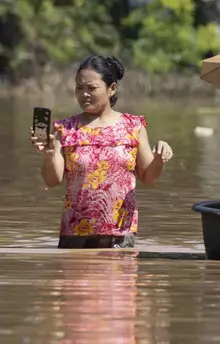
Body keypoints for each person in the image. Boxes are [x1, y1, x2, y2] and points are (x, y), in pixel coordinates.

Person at [30, 55, 174, 249]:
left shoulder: (133, 127)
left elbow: (149, 178)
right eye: (79, 88)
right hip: (75, 233)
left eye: (91, 88)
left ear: (112, 89)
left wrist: (159, 159)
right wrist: (48, 157)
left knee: (120, 280)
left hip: (120, 233)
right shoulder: (65, 129)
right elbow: (52, 181)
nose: (84, 94)